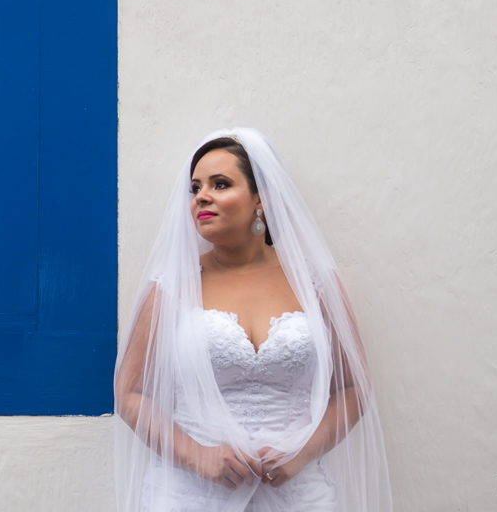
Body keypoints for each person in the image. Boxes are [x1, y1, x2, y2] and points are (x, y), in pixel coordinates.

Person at [114, 128, 393, 512]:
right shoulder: (173, 286)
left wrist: (301, 453)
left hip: (298, 495)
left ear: (261, 198)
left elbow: (353, 387)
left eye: (220, 184)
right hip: (190, 495)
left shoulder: (314, 282)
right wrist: (197, 456)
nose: (202, 197)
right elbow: (130, 393)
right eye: (195, 188)